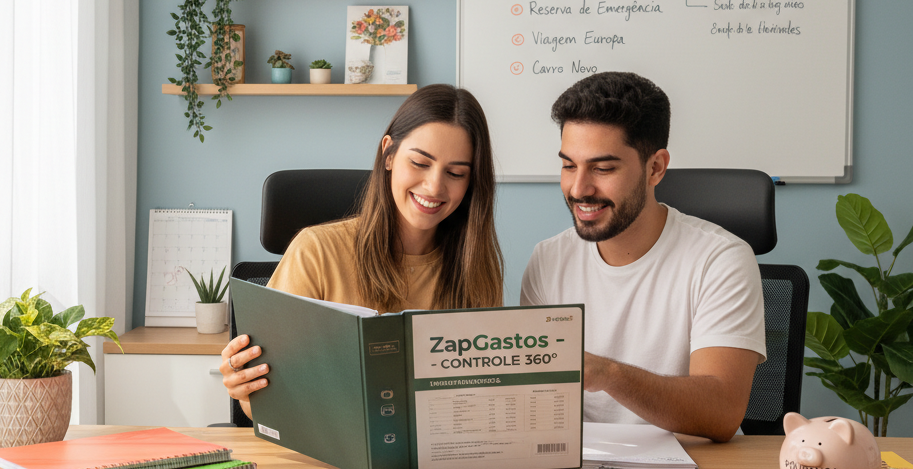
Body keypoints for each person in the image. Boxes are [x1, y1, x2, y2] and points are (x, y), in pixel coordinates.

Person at [221, 84, 504, 420]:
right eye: (419, 163)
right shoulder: (316, 252)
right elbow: (263, 402)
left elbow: (481, 395)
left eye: (455, 173)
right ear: (388, 155)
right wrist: (245, 386)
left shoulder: (477, 268)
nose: (434, 187)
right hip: (327, 451)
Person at [520, 71, 765, 441]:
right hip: (581, 468)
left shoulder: (721, 259)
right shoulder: (548, 260)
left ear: (655, 167)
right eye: (569, 165)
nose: (579, 188)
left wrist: (609, 375)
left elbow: (722, 412)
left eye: (602, 168)